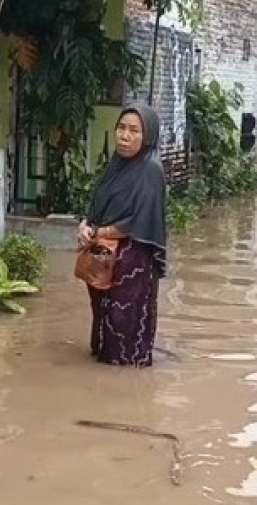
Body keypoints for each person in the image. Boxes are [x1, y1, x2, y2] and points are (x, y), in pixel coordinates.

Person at [77, 104, 167, 368]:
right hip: (103, 258)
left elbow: (139, 220)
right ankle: (104, 373)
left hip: (133, 262)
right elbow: (98, 206)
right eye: (121, 128)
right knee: (103, 315)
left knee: (123, 322)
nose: (125, 136)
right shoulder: (115, 166)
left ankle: (127, 383)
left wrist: (97, 233)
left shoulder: (151, 170)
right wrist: (86, 224)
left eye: (134, 131)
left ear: (147, 135)